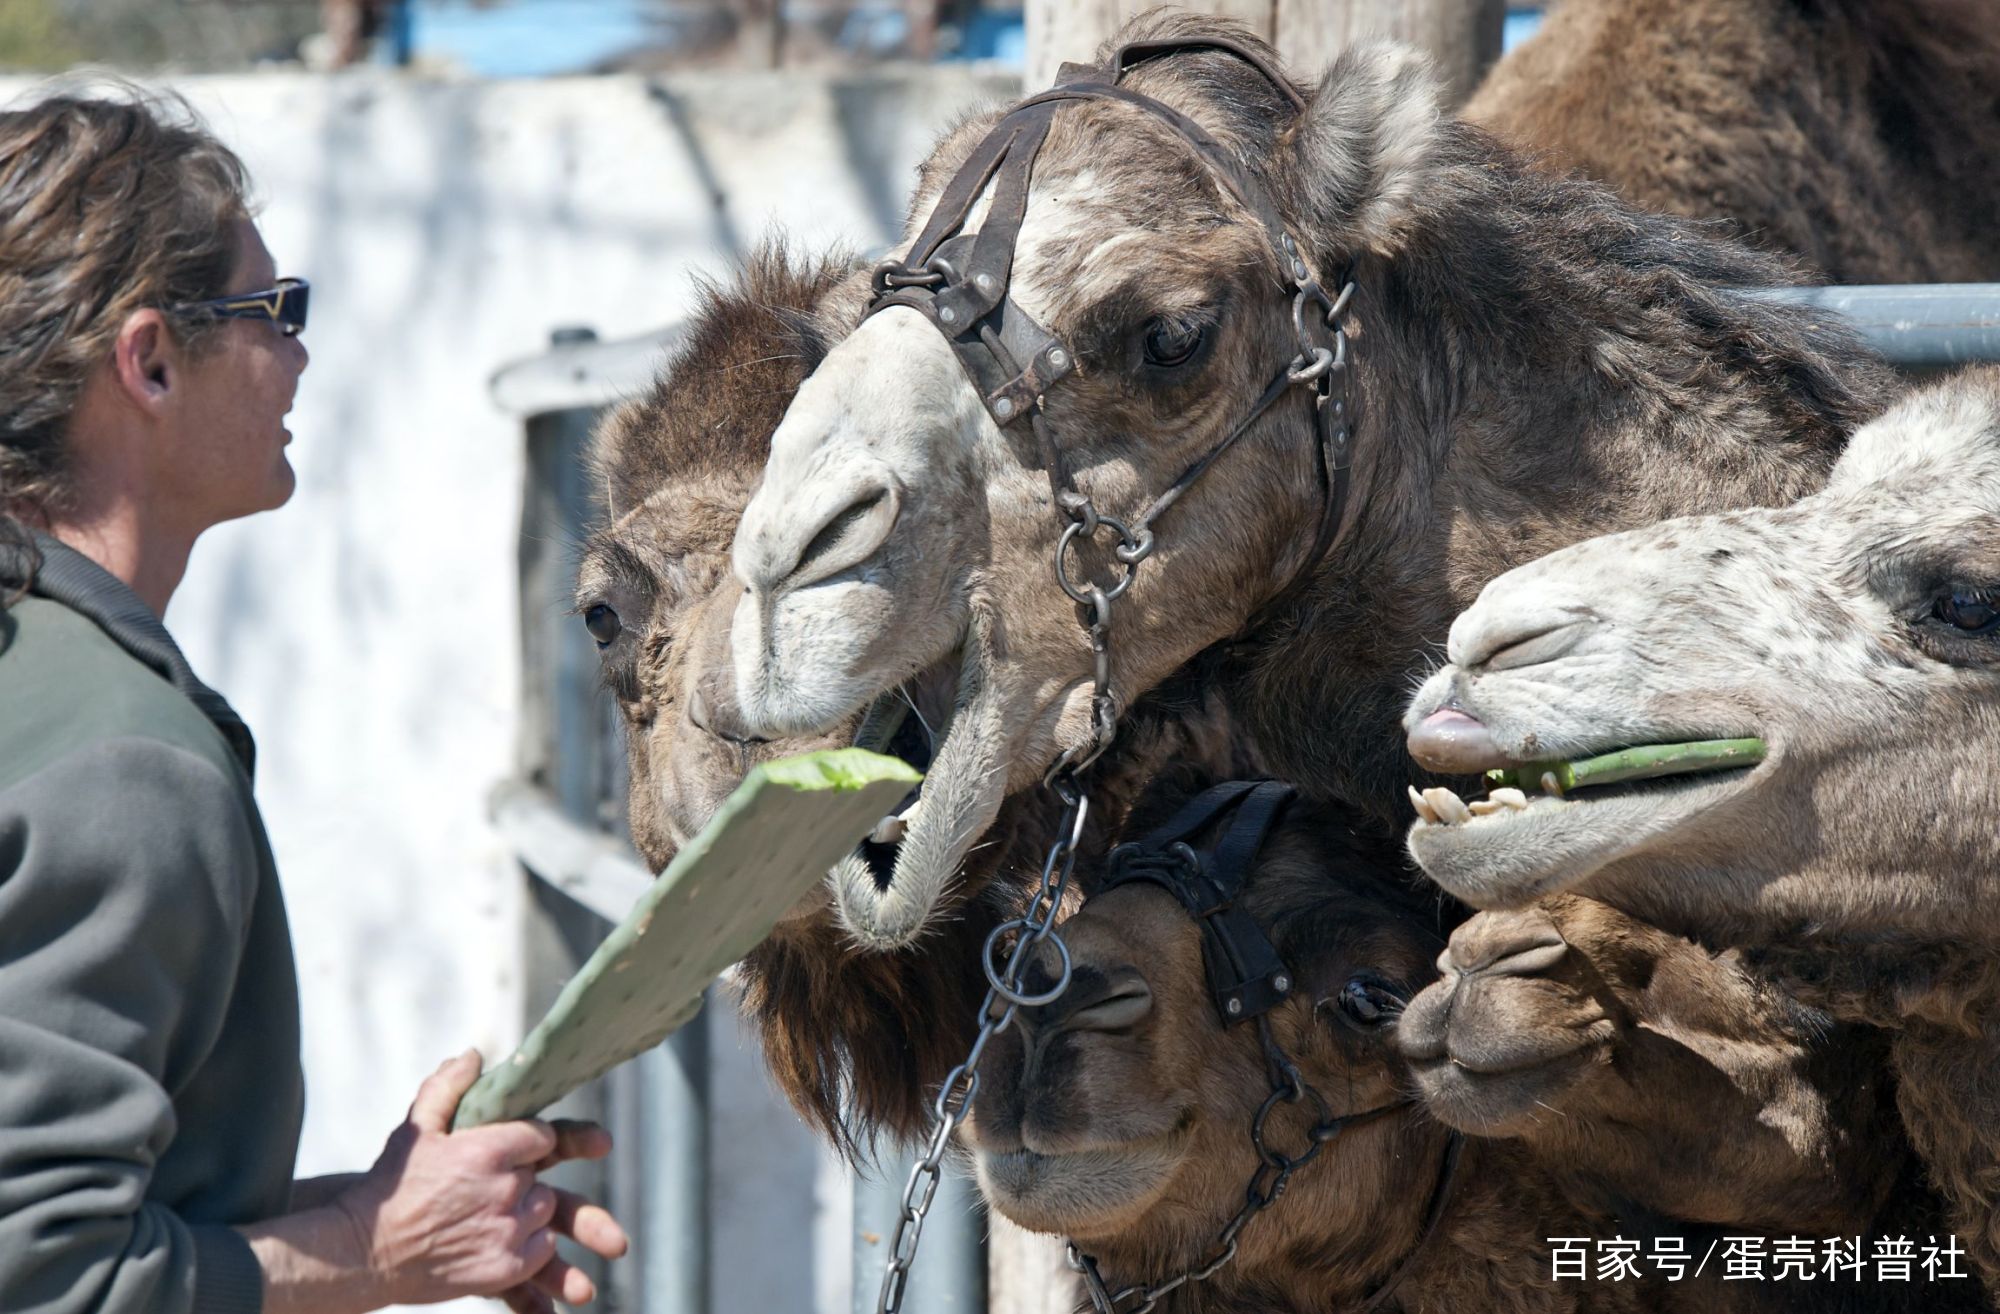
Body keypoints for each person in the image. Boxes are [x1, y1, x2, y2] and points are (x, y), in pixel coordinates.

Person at [0, 87, 627, 1314]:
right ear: (152, 361)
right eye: (272, 311)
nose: (294, 352)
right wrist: (380, 1251)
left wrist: (401, 1216)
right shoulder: (125, 768)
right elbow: (45, 1277)